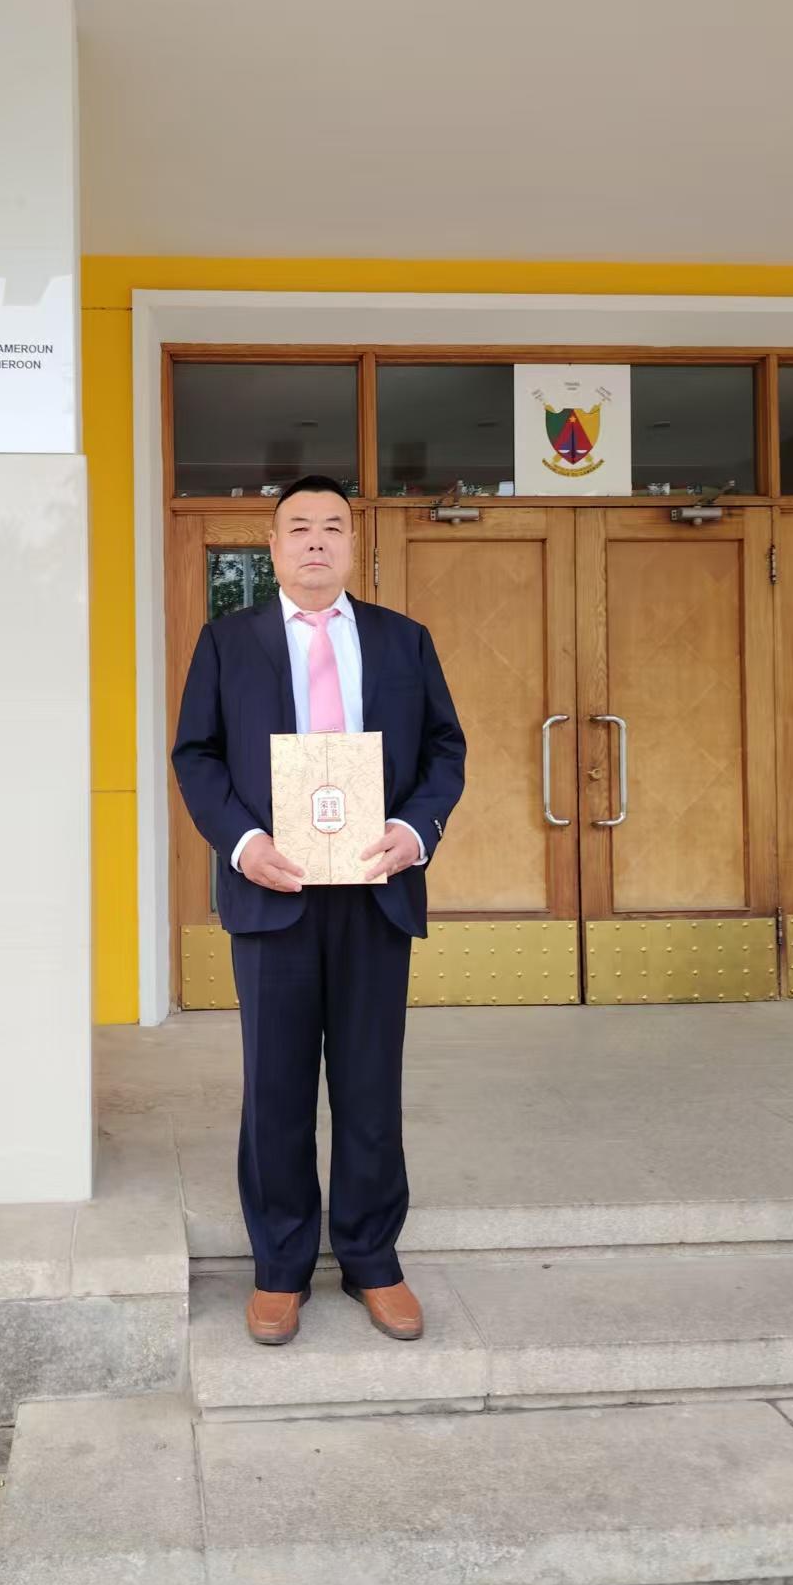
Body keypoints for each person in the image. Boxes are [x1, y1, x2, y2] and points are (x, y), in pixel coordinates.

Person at [172, 475, 466, 1345]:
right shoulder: (228, 642)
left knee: (370, 1085)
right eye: (297, 527)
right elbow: (196, 755)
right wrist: (241, 843)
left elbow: (444, 749)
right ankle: (280, 1268)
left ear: (351, 543)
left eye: (331, 527)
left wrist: (416, 829)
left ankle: (372, 1259)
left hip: (375, 891)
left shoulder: (402, 640)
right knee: (276, 1088)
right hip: (276, 893)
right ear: (271, 547)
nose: (314, 541)